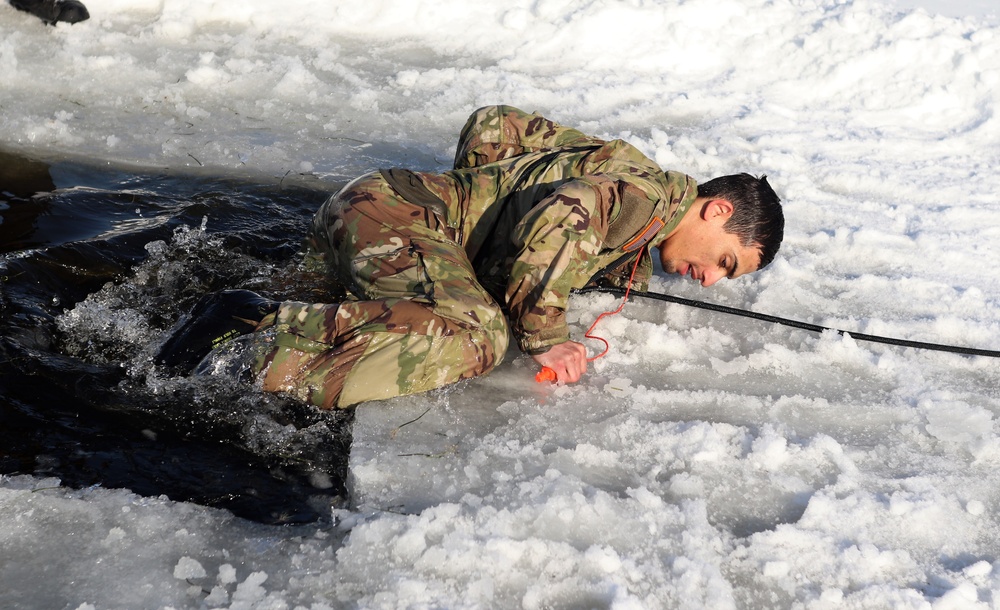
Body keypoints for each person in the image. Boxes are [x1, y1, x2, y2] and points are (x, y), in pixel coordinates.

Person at [156, 105, 783, 409]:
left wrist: (483, 216)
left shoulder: (630, 175)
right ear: (718, 211)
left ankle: (195, 334)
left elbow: (494, 126)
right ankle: (254, 343)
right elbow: (566, 213)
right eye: (725, 263)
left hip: (374, 208)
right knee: (477, 336)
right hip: (400, 220)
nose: (708, 280)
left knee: (452, 311)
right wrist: (543, 335)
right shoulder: (644, 198)